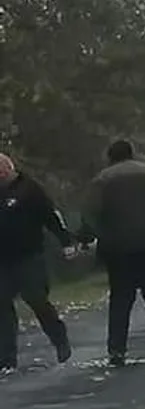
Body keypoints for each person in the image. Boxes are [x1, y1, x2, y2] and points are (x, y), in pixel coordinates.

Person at [81, 139, 145, 367]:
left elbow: (91, 212)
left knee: (121, 300)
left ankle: (117, 351)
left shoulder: (103, 179)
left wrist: (87, 236)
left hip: (119, 247)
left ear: (110, 156)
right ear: (132, 154)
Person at [0, 153, 78, 372]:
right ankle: (6, 358)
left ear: (7, 169)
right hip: (2, 261)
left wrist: (65, 241)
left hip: (29, 256)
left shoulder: (29, 189)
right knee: (2, 308)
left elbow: (49, 216)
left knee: (37, 301)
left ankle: (59, 339)